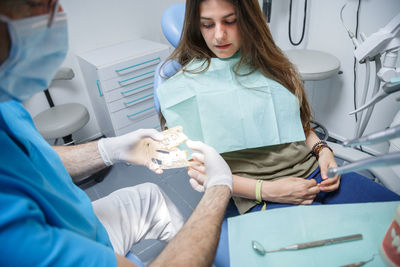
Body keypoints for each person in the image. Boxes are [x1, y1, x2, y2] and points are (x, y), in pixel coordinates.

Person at [156, 0, 400, 266]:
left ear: (249, 19)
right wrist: (270, 191)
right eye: (207, 24)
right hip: (256, 195)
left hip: (316, 174)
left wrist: (323, 150)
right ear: (196, 26)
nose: (219, 35)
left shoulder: (272, 64)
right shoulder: (183, 89)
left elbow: (298, 124)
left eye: (230, 20)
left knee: (391, 224)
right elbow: (203, 174)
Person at [0, 1, 233, 266]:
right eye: (39, 4)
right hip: (65, 238)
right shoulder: (9, 232)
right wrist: (219, 190)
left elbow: (32, 158)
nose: (59, 14)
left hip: (78, 218)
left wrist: (110, 149)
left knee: (151, 198)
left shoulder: (6, 104)